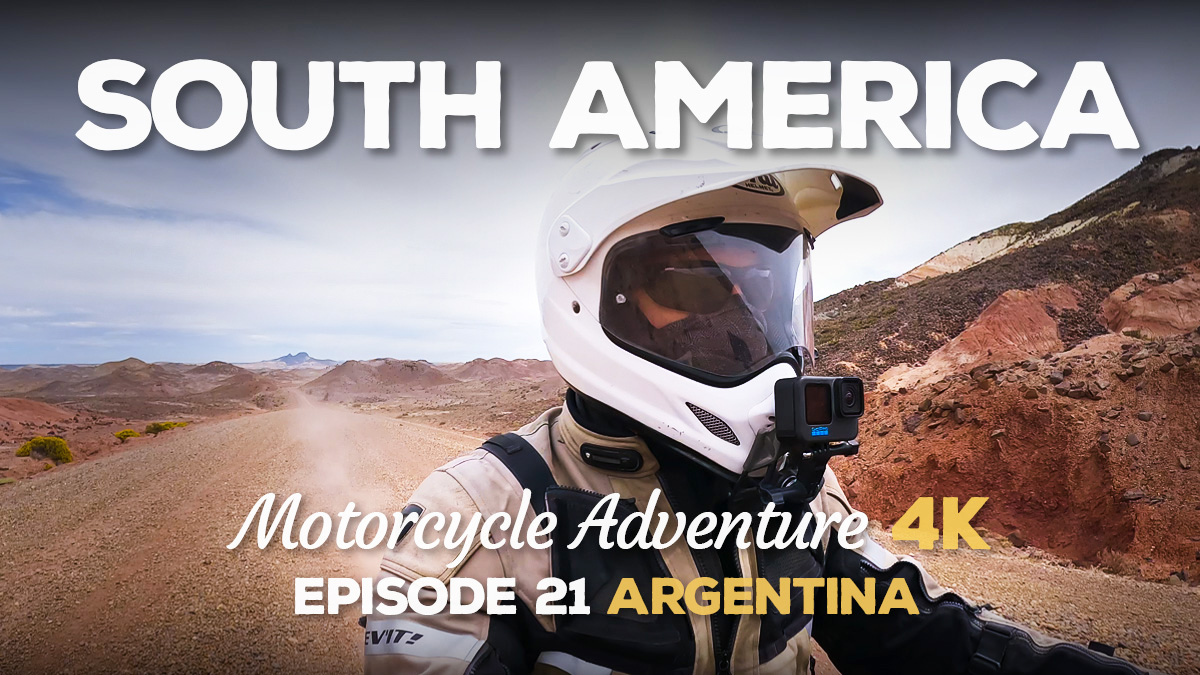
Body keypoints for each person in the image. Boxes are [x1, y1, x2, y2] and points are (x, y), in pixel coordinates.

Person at [364, 131, 1151, 674]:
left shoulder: (791, 490)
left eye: (767, 294)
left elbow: (923, 634)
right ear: (593, 295)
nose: (743, 326)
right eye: (699, 285)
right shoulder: (478, 515)